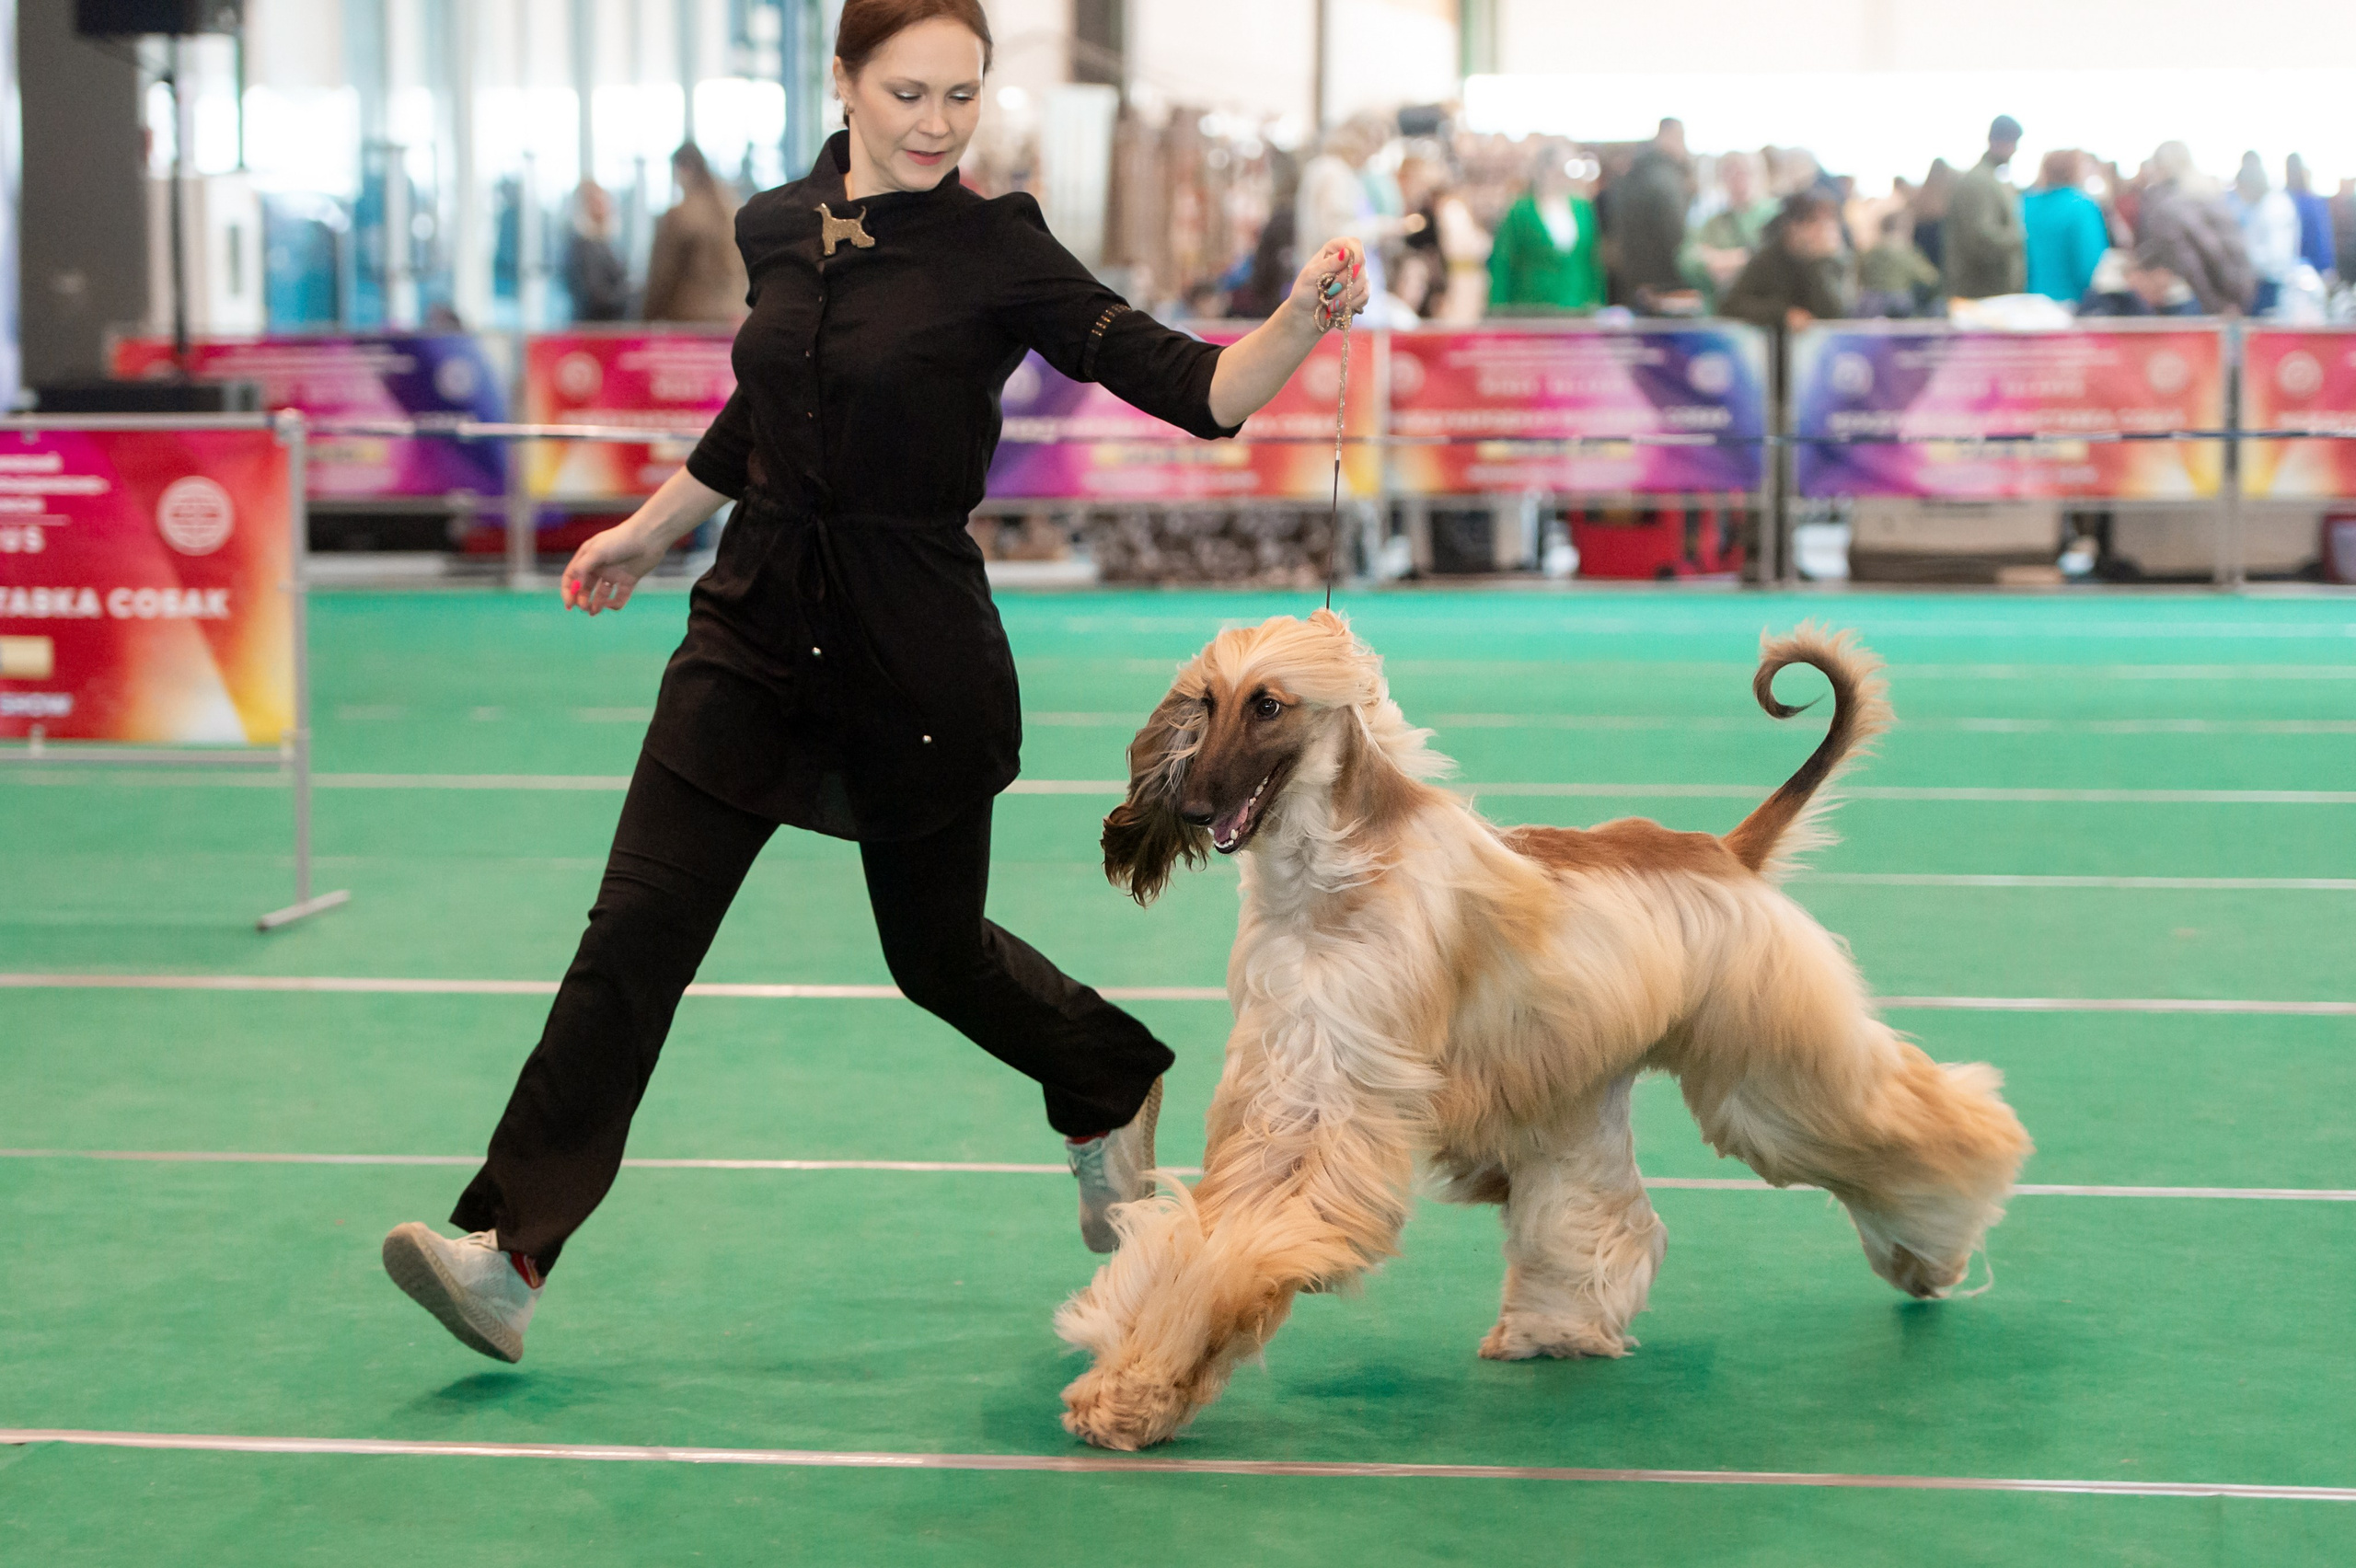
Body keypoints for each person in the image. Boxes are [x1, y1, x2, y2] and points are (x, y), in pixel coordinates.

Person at [377, 0, 1374, 1366]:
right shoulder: (775, 226)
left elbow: (1197, 390)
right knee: (632, 940)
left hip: (912, 648)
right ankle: (509, 1252)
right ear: (842, 80)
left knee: (937, 957)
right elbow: (760, 410)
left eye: (962, 96)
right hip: (747, 631)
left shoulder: (996, 249)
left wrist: (1302, 321)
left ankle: (1105, 1071)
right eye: (910, 91)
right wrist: (646, 531)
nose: (938, 122)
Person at [1486, 140, 1603, 315]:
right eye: (1559, 170)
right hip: (1531, 308)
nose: (1564, 178)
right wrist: (1498, 309)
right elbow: (1503, 263)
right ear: (1544, 169)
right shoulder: (1520, 210)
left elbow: (1593, 261)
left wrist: (1597, 302)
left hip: (1578, 306)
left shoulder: (1582, 208)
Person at [2136, 143, 2254, 315]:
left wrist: (2217, 306)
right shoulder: (2208, 192)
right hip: (2231, 291)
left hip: (2197, 301)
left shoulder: (2168, 206)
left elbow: (2191, 262)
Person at [641, 143, 751, 324]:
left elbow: (662, 276)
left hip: (690, 317)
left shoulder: (679, 215)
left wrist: (646, 318)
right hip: (732, 317)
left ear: (683, 169)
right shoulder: (732, 211)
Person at [1719, 190, 1854, 333]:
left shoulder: (1832, 261)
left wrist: (1820, 263)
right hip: (1775, 349)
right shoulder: (1767, 259)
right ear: (1794, 226)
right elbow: (1732, 305)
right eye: (1814, 222)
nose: (1822, 230)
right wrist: (1783, 314)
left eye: (1828, 222)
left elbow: (1836, 313)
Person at [1603, 117, 1696, 312]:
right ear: (1671, 136)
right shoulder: (1666, 179)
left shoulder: (1631, 174)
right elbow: (1676, 237)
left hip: (1634, 283)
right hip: (1666, 286)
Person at [1680, 150, 1776, 308]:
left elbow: (1774, 259)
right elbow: (1688, 258)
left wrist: (1732, 259)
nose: (1738, 179)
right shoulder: (1712, 222)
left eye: (1744, 172)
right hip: (1721, 308)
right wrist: (1710, 264)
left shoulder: (1774, 214)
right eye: (1730, 172)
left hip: (1764, 309)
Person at [1944, 115, 2026, 299]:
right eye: (2012, 142)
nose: (2014, 150)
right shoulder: (1980, 182)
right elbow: (1982, 237)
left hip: (1987, 292)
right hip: (1982, 293)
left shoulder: (1989, 179)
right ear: (1996, 141)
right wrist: (2020, 237)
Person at [2020, 148, 2108, 306]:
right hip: (2070, 301)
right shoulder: (2081, 206)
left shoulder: (2026, 204)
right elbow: (2090, 264)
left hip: (2030, 300)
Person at [2231, 152, 2302, 315]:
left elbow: (2276, 256)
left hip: (2272, 284)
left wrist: (2242, 257)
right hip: (2262, 280)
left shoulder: (2275, 208)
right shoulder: (2260, 206)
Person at [564, 179, 631, 321]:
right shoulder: (582, 245)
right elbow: (596, 296)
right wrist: (630, 292)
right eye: (596, 201)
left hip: (611, 323)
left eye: (604, 200)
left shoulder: (606, 241)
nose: (603, 206)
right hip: (594, 326)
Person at [2079, 242, 2203, 317]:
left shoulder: (2178, 303)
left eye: (2164, 288)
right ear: (2137, 275)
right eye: (2156, 288)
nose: (2160, 296)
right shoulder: (2106, 299)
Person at [1856, 211, 1939, 317]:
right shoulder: (1906, 251)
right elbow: (1930, 277)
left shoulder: (1870, 251)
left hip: (1869, 304)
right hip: (1898, 305)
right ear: (1904, 228)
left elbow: (1859, 276)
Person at [2283, 155, 2336, 287]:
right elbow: (2322, 239)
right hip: (2295, 270)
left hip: (2301, 269)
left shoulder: (2287, 199)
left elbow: (2321, 238)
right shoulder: (2286, 200)